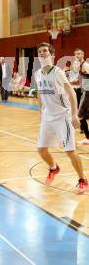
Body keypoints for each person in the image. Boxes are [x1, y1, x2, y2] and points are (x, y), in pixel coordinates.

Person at [35, 42, 88, 194]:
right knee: (41, 150)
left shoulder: (57, 71)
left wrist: (74, 114)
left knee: (70, 151)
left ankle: (83, 179)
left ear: (52, 55)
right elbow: (40, 92)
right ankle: (54, 168)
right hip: (47, 116)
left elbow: (71, 92)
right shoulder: (38, 73)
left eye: (45, 51)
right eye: (40, 51)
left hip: (62, 116)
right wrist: (41, 110)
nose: (42, 53)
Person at [77, 51, 89, 145]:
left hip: (88, 92)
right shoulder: (81, 65)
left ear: (82, 55)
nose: (77, 55)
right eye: (75, 54)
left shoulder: (85, 65)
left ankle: (88, 137)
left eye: (79, 54)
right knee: (84, 115)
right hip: (85, 91)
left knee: (80, 114)